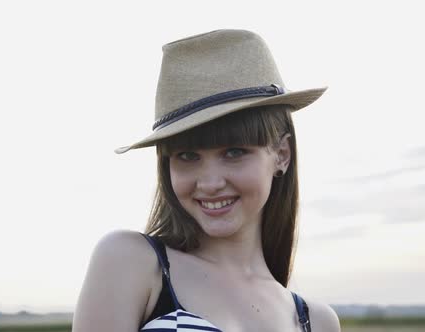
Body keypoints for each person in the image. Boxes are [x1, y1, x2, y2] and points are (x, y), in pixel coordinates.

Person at [72, 29, 341, 332]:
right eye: (187, 156)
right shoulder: (130, 261)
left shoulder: (316, 322)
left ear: (281, 154)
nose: (210, 183)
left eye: (234, 152)